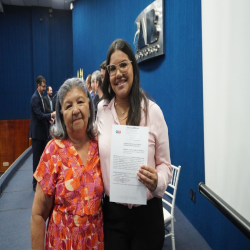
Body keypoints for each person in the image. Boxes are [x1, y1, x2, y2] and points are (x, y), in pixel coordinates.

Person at [96, 39, 172, 250]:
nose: (118, 73)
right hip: (113, 216)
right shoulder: (101, 112)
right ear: (107, 75)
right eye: (112, 68)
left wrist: (158, 180)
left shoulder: (153, 111)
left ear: (133, 67)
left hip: (147, 215)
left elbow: (166, 165)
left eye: (123, 65)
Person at [30, 78, 104, 249]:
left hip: (95, 242)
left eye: (80, 102)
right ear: (61, 113)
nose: (76, 110)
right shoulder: (53, 151)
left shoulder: (100, 146)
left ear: (89, 105)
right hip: (62, 243)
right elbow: (38, 214)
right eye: (68, 106)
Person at [30, 76, 55, 191]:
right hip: (37, 135)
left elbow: (42, 114)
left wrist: (48, 119)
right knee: (37, 160)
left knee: (44, 159)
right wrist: (51, 115)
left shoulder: (40, 97)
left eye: (45, 86)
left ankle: (43, 181)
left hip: (43, 134)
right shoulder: (35, 98)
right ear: (38, 86)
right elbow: (39, 115)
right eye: (43, 86)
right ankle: (35, 184)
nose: (45, 88)